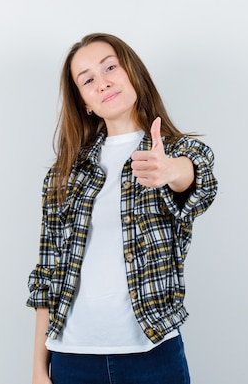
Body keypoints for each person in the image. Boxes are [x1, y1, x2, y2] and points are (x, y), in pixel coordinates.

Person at [26, 33, 218, 384]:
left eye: (110, 67)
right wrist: (39, 369)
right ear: (84, 101)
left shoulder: (176, 152)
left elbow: (197, 182)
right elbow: (48, 273)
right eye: (88, 80)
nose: (103, 83)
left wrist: (170, 170)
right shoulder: (64, 174)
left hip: (152, 355)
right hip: (72, 358)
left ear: (132, 73)